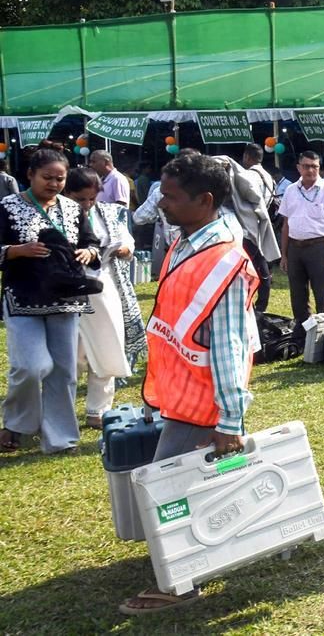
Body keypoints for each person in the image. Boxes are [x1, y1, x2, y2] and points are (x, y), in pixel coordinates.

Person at [117, 152, 260, 615]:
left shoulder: (224, 259)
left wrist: (230, 417)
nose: (161, 203)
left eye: (172, 196)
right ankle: (189, 560)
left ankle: (180, 581)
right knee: (184, 484)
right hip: (183, 393)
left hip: (205, 401)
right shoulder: (187, 239)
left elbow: (230, 345)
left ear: (205, 200)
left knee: (169, 487)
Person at [0, 148, 100, 454]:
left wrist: (89, 253)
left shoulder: (72, 208)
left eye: (60, 178)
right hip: (23, 297)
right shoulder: (7, 206)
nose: (54, 183)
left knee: (64, 371)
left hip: (65, 299)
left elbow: (91, 241)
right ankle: (17, 424)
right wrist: (17, 251)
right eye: (47, 177)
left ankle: (60, 438)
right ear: (30, 175)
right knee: (30, 366)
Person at [62, 168, 146, 429]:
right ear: (67, 194)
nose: (87, 205)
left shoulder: (108, 212)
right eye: (80, 199)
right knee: (71, 352)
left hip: (104, 285)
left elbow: (127, 240)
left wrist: (124, 249)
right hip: (67, 287)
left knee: (108, 343)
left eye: (91, 199)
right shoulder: (56, 215)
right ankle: (60, 411)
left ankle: (98, 410)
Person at [278, 151, 324, 342]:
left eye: (314, 166)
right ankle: (302, 332)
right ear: (299, 167)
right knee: (297, 292)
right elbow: (286, 225)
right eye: (306, 166)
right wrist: (284, 254)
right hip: (295, 248)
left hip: (319, 247)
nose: (310, 170)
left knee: (321, 291)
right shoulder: (290, 190)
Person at [212, 154, 280, 314]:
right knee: (258, 269)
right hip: (250, 231)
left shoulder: (245, 178)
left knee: (250, 270)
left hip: (244, 233)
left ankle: (255, 306)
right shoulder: (264, 177)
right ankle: (258, 306)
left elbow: (255, 201)